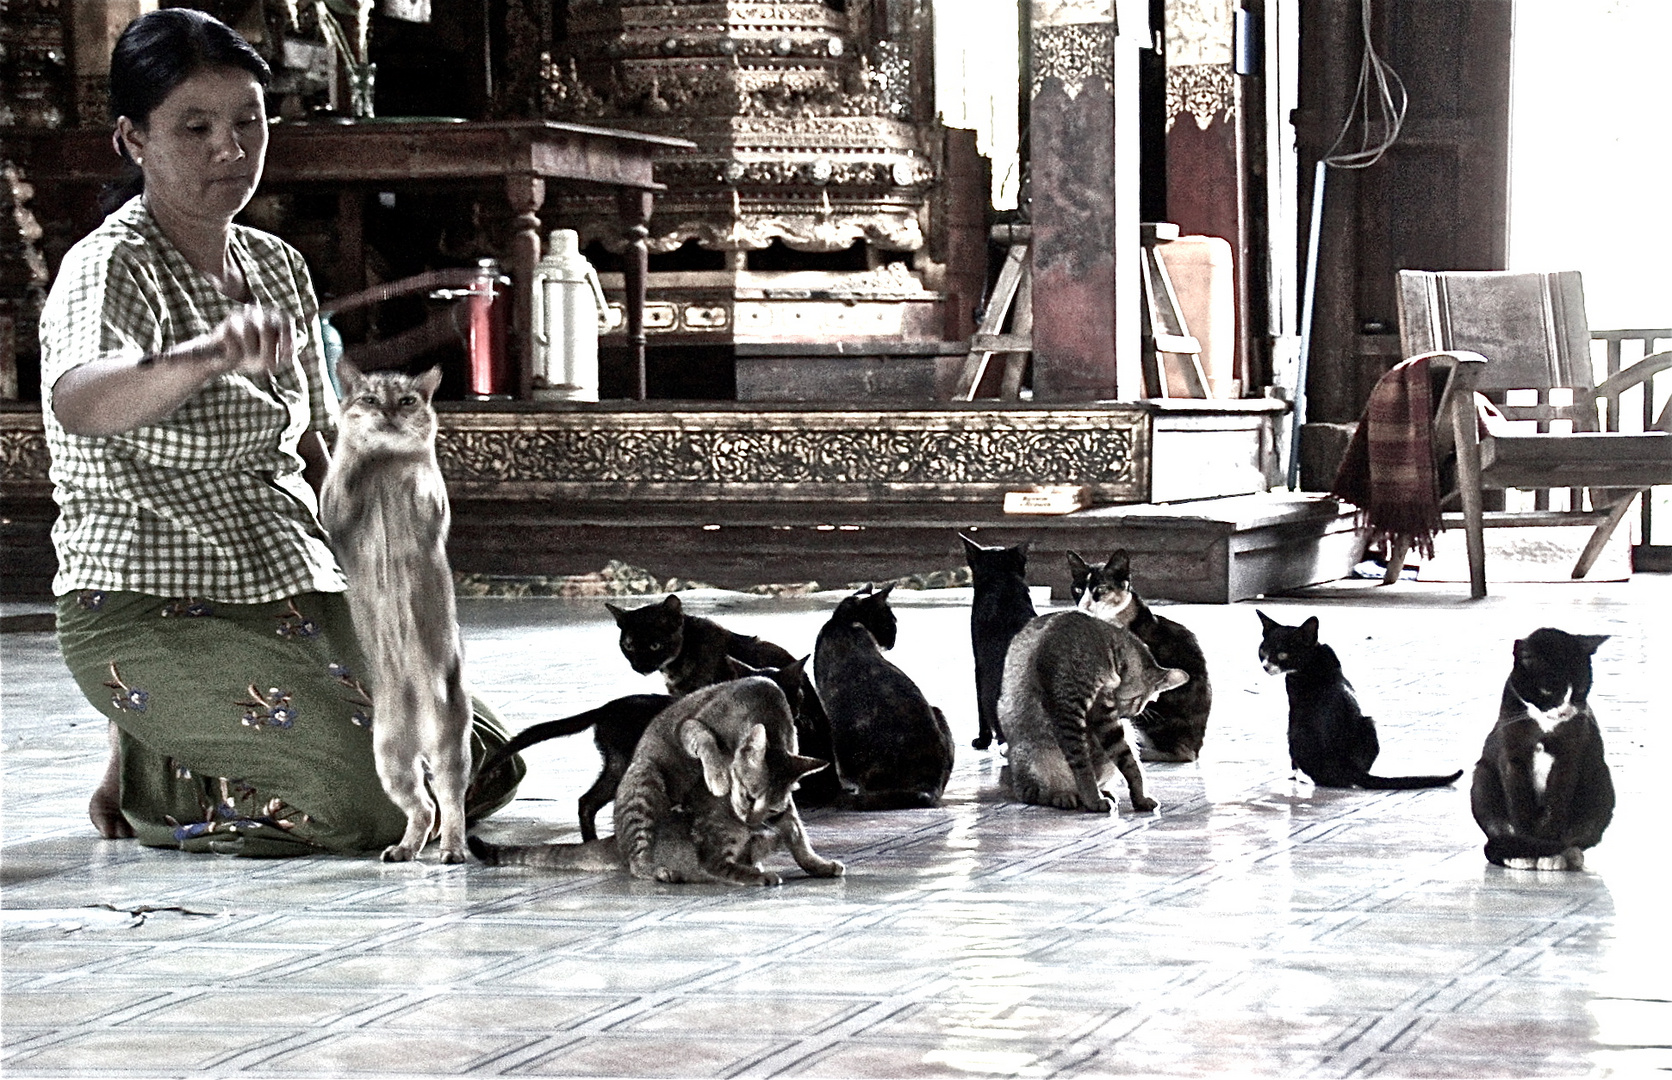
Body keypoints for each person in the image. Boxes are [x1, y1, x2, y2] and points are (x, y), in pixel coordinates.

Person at [40, 8, 522, 857]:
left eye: (248, 123)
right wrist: (199, 356)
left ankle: (175, 740)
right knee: (376, 809)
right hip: (143, 603)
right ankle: (163, 782)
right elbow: (80, 398)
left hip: (284, 583)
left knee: (479, 763)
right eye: (195, 127)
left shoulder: (274, 264)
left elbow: (314, 443)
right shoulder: (110, 263)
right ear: (132, 140)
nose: (231, 149)